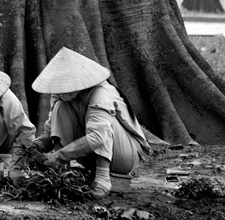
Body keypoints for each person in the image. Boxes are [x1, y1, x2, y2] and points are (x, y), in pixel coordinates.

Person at [31, 47, 151, 199]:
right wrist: (35, 147)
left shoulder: (101, 92)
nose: (62, 92)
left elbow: (98, 137)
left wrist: (59, 156)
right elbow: (51, 133)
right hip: (89, 156)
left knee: (103, 124)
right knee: (60, 107)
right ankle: (61, 172)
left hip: (123, 155)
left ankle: (103, 176)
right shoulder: (59, 95)